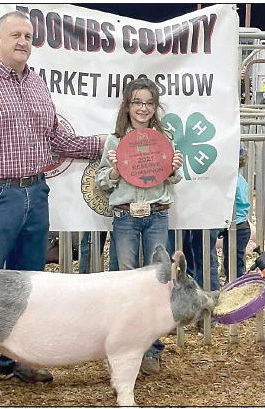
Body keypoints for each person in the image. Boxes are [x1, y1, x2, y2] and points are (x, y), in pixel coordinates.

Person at [0, 11, 105, 389]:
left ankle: (15, 359)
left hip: (35, 192)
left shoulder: (36, 83)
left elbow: (56, 140)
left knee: (29, 283)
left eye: (28, 36)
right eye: (16, 35)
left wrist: (108, 146)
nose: (23, 41)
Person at [95, 78, 183, 375]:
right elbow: (101, 183)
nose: (143, 108)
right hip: (125, 217)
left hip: (157, 213)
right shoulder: (115, 140)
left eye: (149, 103)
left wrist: (173, 169)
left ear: (155, 107)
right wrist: (116, 169)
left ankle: (153, 349)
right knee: (126, 283)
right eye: (137, 102)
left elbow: (172, 179)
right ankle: (122, 349)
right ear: (127, 105)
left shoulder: (165, 138)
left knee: (158, 282)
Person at [219, 145, 251, 282]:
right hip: (240, 224)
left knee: (235, 261)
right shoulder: (240, 179)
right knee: (231, 258)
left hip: (237, 225)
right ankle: (232, 281)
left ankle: (237, 283)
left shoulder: (233, 182)